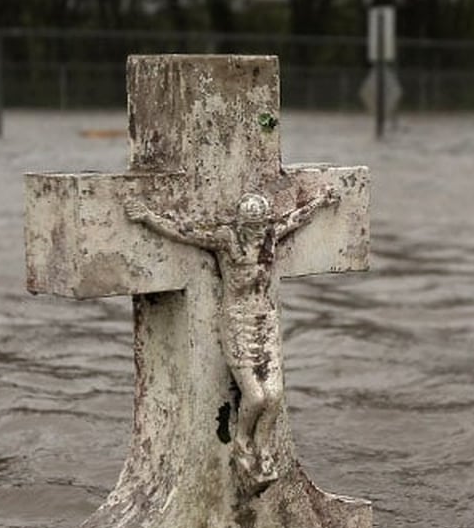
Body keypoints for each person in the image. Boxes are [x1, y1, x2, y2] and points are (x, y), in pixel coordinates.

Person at [125, 187, 339, 493]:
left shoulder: (269, 235)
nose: (257, 230)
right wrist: (148, 217)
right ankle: (241, 443)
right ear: (241, 223)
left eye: (261, 224)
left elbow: (295, 219)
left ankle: (262, 446)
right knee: (255, 396)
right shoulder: (227, 240)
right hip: (237, 321)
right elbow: (185, 233)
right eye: (252, 225)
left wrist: (320, 201)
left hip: (265, 319)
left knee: (274, 396)